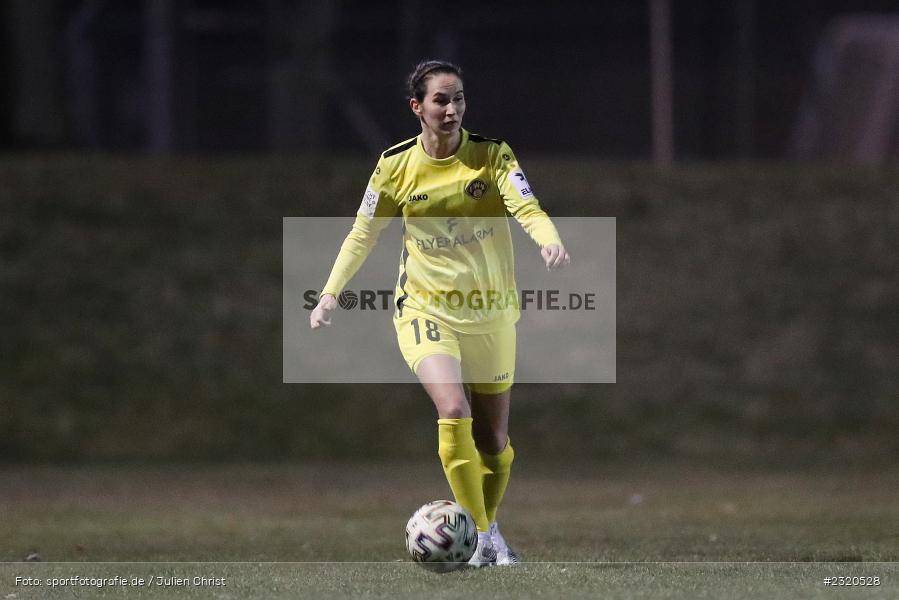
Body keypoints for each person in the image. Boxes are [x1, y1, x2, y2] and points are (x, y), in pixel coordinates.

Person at [310, 60, 570, 567]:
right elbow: (364, 232)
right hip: (425, 308)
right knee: (453, 409)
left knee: (493, 441)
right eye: (440, 100)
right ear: (417, 107)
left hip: (490, 311)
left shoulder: (490, 155)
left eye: (459, 99)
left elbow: (526, 206)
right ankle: (478, 538)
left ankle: (487, 529)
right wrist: (329, 293)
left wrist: (548, 239)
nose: (451, 109)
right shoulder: (395, 165)